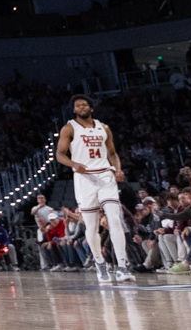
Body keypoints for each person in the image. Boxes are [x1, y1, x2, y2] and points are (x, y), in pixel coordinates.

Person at [57, 94, 134, 283]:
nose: (81, 107)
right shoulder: (69, 128)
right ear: (74, 110)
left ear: (91, 108)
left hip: (105, 175)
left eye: (85, 105)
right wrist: (74, 164)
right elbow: (60, 154)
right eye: (78, 106)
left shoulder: (104, 127)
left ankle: (122, 267)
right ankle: (100, 263)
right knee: (91, 226)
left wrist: (118, 170)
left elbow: (113, 153)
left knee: (114, 220)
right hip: (84, 178)